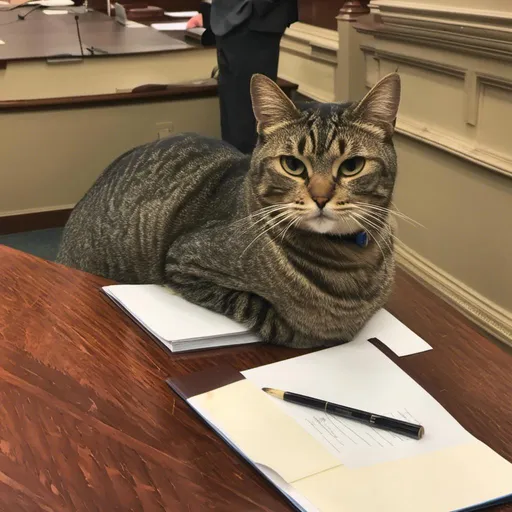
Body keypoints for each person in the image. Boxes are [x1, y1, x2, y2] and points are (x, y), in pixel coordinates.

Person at [187, 0, 298, 154]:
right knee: (232, 113)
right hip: (228, 17)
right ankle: (236, 171)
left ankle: (248, 173)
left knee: (249, 117)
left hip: (254, 17)